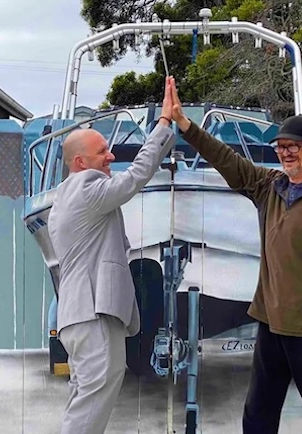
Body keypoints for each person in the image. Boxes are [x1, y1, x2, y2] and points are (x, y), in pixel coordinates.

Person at [169, 78, 302, 434]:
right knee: (258, 419)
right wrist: (185, 125)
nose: (285, 152)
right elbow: (227, 160)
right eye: (280, 147)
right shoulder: (270, 186)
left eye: (293, 146)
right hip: (271, 326)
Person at [48, 77, 177, 434]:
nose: (111, 157)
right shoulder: (86, 187)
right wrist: (164, 124)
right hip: (93, 314)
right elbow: (135, 177)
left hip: (80, 316)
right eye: (103, 151)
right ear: (79, 162)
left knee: (85, 398)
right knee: (93, 396)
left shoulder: (65, 197)